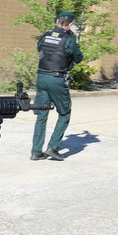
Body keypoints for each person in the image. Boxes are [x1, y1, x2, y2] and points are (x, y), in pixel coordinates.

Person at [30, 12, 83, 162]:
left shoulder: (45, 36)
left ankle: (36, 152)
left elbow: (40, 49)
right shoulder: (68, 40)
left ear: (57, 21)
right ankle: (53, 148)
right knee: (64, 113)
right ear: (70, 24)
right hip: (56, 79)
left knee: (41, 115)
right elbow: (79, 58)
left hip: (41, 77)